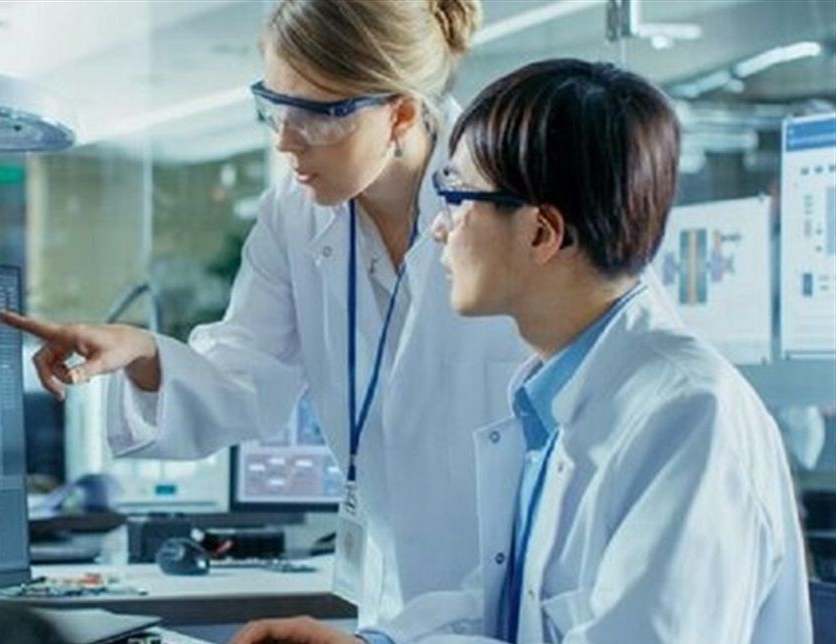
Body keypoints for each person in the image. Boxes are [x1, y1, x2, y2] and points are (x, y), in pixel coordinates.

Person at [233, 59, 812, 643]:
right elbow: (513, 606)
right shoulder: (555, 395)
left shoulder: (688, 417)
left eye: (456, 198)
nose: (439, 229)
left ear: (541, 232)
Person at [0, 0, 531, 630]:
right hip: (394, 592)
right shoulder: (293, 215)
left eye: (316, 116)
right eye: (276, 106)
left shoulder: (510, 197)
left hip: (522, 585)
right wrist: (142, 352)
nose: (284, 139)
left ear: (401, 113)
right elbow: (246, 374)